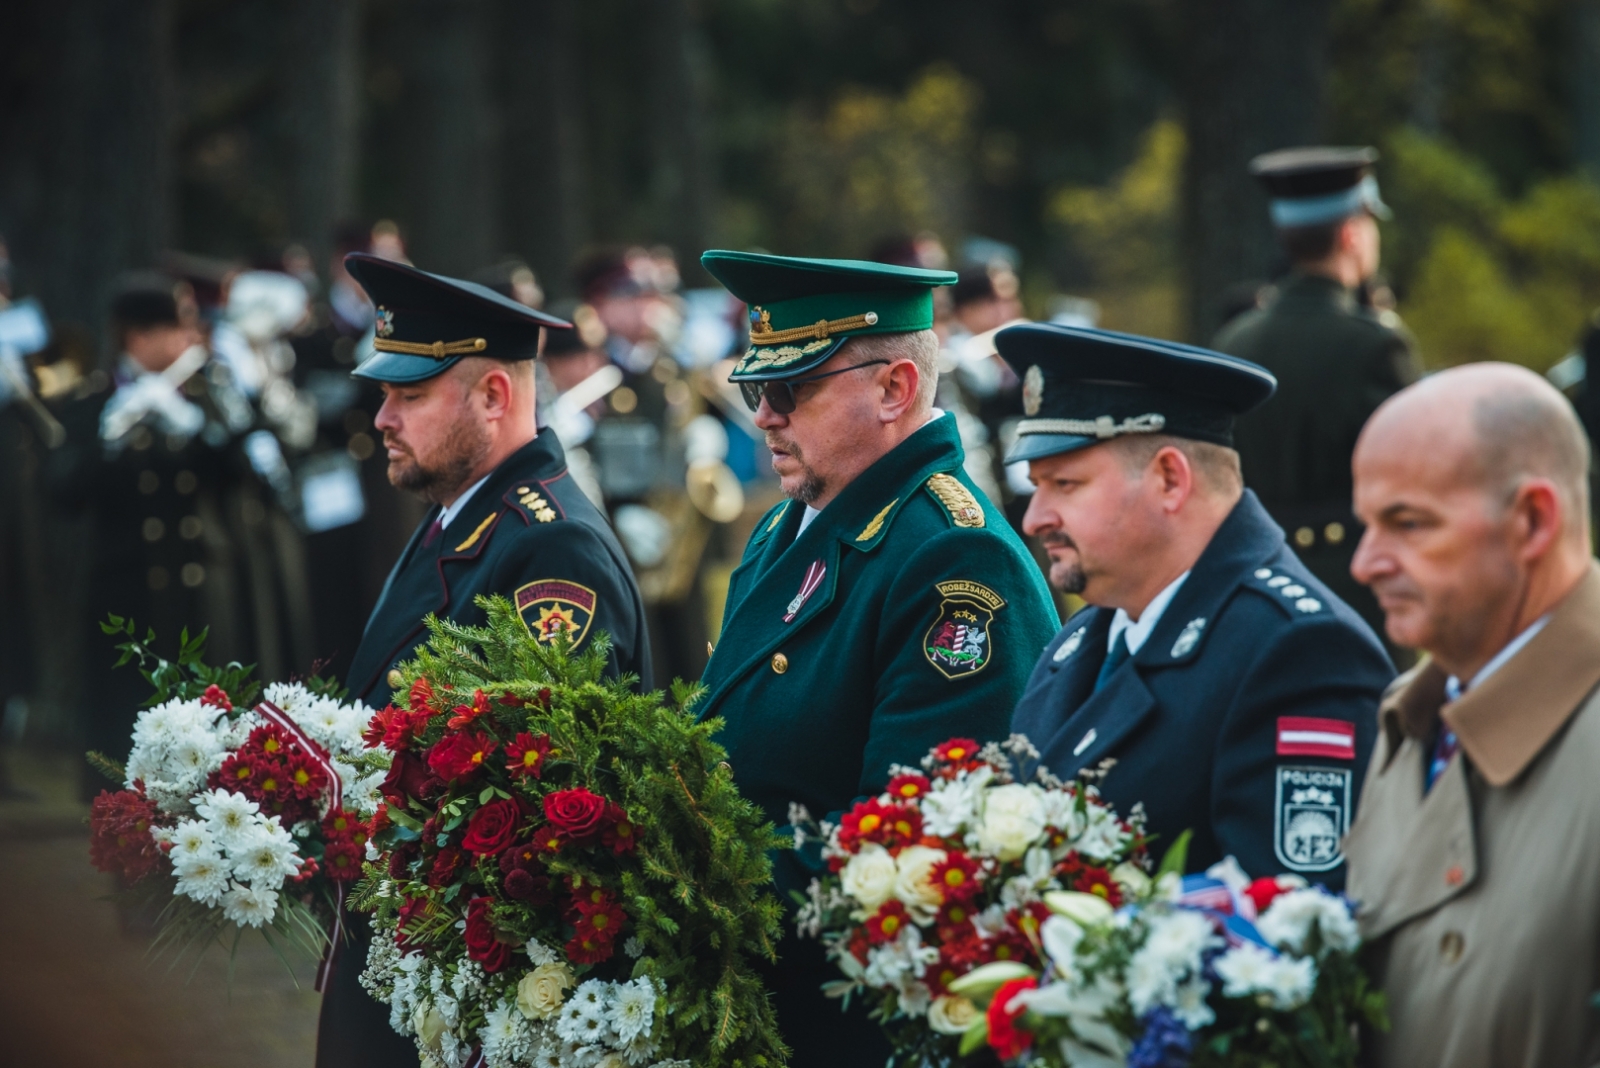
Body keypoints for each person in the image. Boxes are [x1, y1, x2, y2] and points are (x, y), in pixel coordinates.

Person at [694, 250, 1060, 1068]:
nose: (765, 416)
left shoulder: (953, 559)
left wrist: (676, 881)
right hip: (757, 1004)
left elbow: (907, 856)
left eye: (791, 389)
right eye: (755, 390)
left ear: (895, 388)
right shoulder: (791, 524)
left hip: (843, 1029)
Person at [316, 253, 651, 1068]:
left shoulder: (548, 548)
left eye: (410, 395)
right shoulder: (457, 514)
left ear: (494, 397)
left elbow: (540, 799)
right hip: (411, 956)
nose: (384, 417)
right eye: (385, 394)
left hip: (471, 994)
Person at [1003, 322, 1394, 886]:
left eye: (1065, 483)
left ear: (1169, 479)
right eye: (1037, 486)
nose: (1035, 518)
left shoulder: (1299, 651)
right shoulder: (1082, 639)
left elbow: (1290, 922)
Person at [1344, 364, 1600, 1067]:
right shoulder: (1412, 722)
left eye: (1407, 523)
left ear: (1532, 522)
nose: (1365, 562)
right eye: (1367, 523)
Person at [1213, 146, 1421, 639]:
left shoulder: (1234, 340)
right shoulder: (1374, 343)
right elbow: (1416, 473)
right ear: (1352, 233)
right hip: (1359, 590)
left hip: (1254, 582)